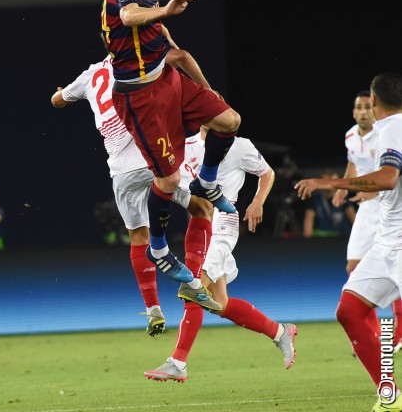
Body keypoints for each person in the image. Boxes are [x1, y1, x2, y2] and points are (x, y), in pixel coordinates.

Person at [100, 0, 241, 296]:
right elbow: (129, 15)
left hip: (168, 81)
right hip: (140, 97)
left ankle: (208, 181)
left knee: (229, 121)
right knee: (167, 179)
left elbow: (171, 48)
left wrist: (206, 89)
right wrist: (165, 11)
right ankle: (160, 249)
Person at [51, 42, 223, 336]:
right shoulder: (137, 63)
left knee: (138, 235)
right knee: (202, 207)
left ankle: (153, 309)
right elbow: (180, 57)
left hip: (120, 170)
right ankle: (192, 282)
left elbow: (57, 101)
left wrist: (61, 94)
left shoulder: (90, 75)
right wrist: (207, 93)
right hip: (152, 154)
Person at [144, 123, 298, 381]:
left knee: (193, 288)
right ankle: (280, 332)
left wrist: (257, 202)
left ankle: (178, 362)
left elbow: (267, 173)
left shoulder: (239, 145)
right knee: (220, 304)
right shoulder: (188, 146)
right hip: (200, 224)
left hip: (224, 223)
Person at [295, 72, 402, 412]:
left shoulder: (392, 129)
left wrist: (326, 182)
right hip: (388, 241)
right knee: (350, 310)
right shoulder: (380, 131)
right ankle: (390, 396)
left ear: (373, 101)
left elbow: (387, 178)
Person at [332, 90, 402, 353]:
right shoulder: (350, 136)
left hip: (385, 205)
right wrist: (342, 188)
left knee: (394, 266)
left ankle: (398, 331)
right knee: (353, 268)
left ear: (374, 108)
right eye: (357, 107)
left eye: (366, 106)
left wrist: (370, 191)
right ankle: (371, 334)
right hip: (365, 209)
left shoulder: (387, 134)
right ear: (353, 111)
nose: (362, 111)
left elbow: (388, 176)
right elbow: (354, 165)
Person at [302, 168, 356, 238]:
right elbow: (308, 221)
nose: (330, 185)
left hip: (342, 238)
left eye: (333, 181)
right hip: (321, 240)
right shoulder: (315, 199)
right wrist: (308, 241)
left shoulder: (343, 197)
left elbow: (353, 218)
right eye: (326, 182)